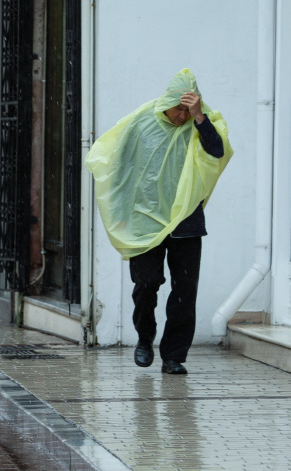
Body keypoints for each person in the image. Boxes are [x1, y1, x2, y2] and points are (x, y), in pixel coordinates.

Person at [85, 69, 232, 375]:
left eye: (186, 110)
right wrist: (122, 214)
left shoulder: (200, 123)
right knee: (147, 283)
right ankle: (144, 337)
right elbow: (117, 167)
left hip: (186, 222)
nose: (181, 116)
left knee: (184, 290)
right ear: (166, 102)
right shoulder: (141, 122)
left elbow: (216, 152)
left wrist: (199, 116)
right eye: (178, 109)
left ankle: (174, 356)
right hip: (143, 220)